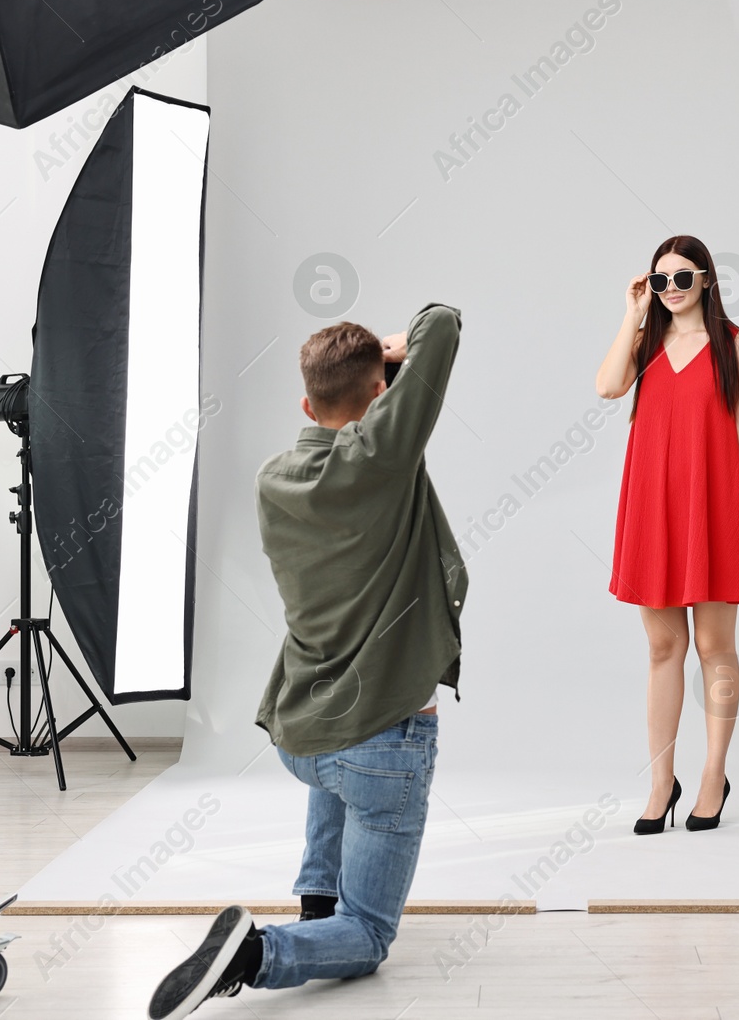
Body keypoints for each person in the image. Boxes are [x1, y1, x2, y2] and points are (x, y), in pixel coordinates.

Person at [148, 302, 466, 1019]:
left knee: (340, 739)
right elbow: (441, 323)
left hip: (304, 737)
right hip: (383, 745)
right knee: (371, 934)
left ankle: (312, 900)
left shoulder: (273, 477)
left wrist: (378, 371)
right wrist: (395, 349)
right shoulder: (384, 458)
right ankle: (259, 953)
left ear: (304, 401)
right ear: (382, 399)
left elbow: (380, 398)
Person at [594, 235, 739, 835]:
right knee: (661, 649)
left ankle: (712, 775)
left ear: (706, 279)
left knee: (713, 647)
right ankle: (661, 781)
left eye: (682, 278)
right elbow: (606, 387)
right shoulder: (646, 342)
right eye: (660, 280)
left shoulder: (738, 347)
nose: (671, 289)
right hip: (653, 507)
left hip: (713, 505)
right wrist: (631, 315)